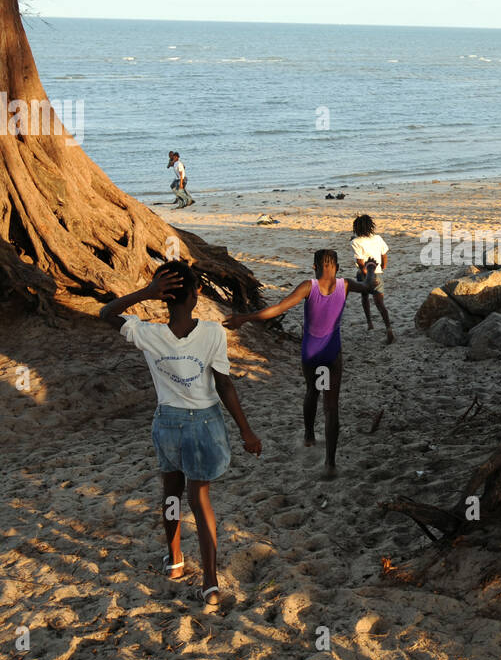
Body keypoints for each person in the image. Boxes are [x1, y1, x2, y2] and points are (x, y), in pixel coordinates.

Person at [99, 260, 262, 608]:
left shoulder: (148, 333)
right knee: (200, 501)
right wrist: (246, 431)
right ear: (195, 294)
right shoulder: (214, 333)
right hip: (203, 425)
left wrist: (145, 291)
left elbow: (107, 312)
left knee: (170, 495)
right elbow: (224, 384)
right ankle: (210, 582)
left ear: (165, 297)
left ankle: (174, 561)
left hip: (167, 424)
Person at [225, 249, 376, 479]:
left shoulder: (309, 286)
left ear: (315, 267)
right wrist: (371, 269)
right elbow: (368, 286)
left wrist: (244, 319)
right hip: (332, 352)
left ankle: (308, 436)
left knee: (312, 391)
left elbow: (278, 309)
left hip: (311, 352)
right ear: (336, 267)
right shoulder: (345, 285)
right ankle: (330, 463)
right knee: (331, 407)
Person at [349, 214, 394, 345]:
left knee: (364, 297)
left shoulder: (355, 242)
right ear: (371, 226)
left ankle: (369, 323)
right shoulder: (378, 238)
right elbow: (384, 255)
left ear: (356, 228)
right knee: (380, 303)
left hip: (364, 274)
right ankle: (388, 328)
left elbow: (360, 262)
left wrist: (366, 275)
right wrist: (383, 266)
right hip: (378, 273)